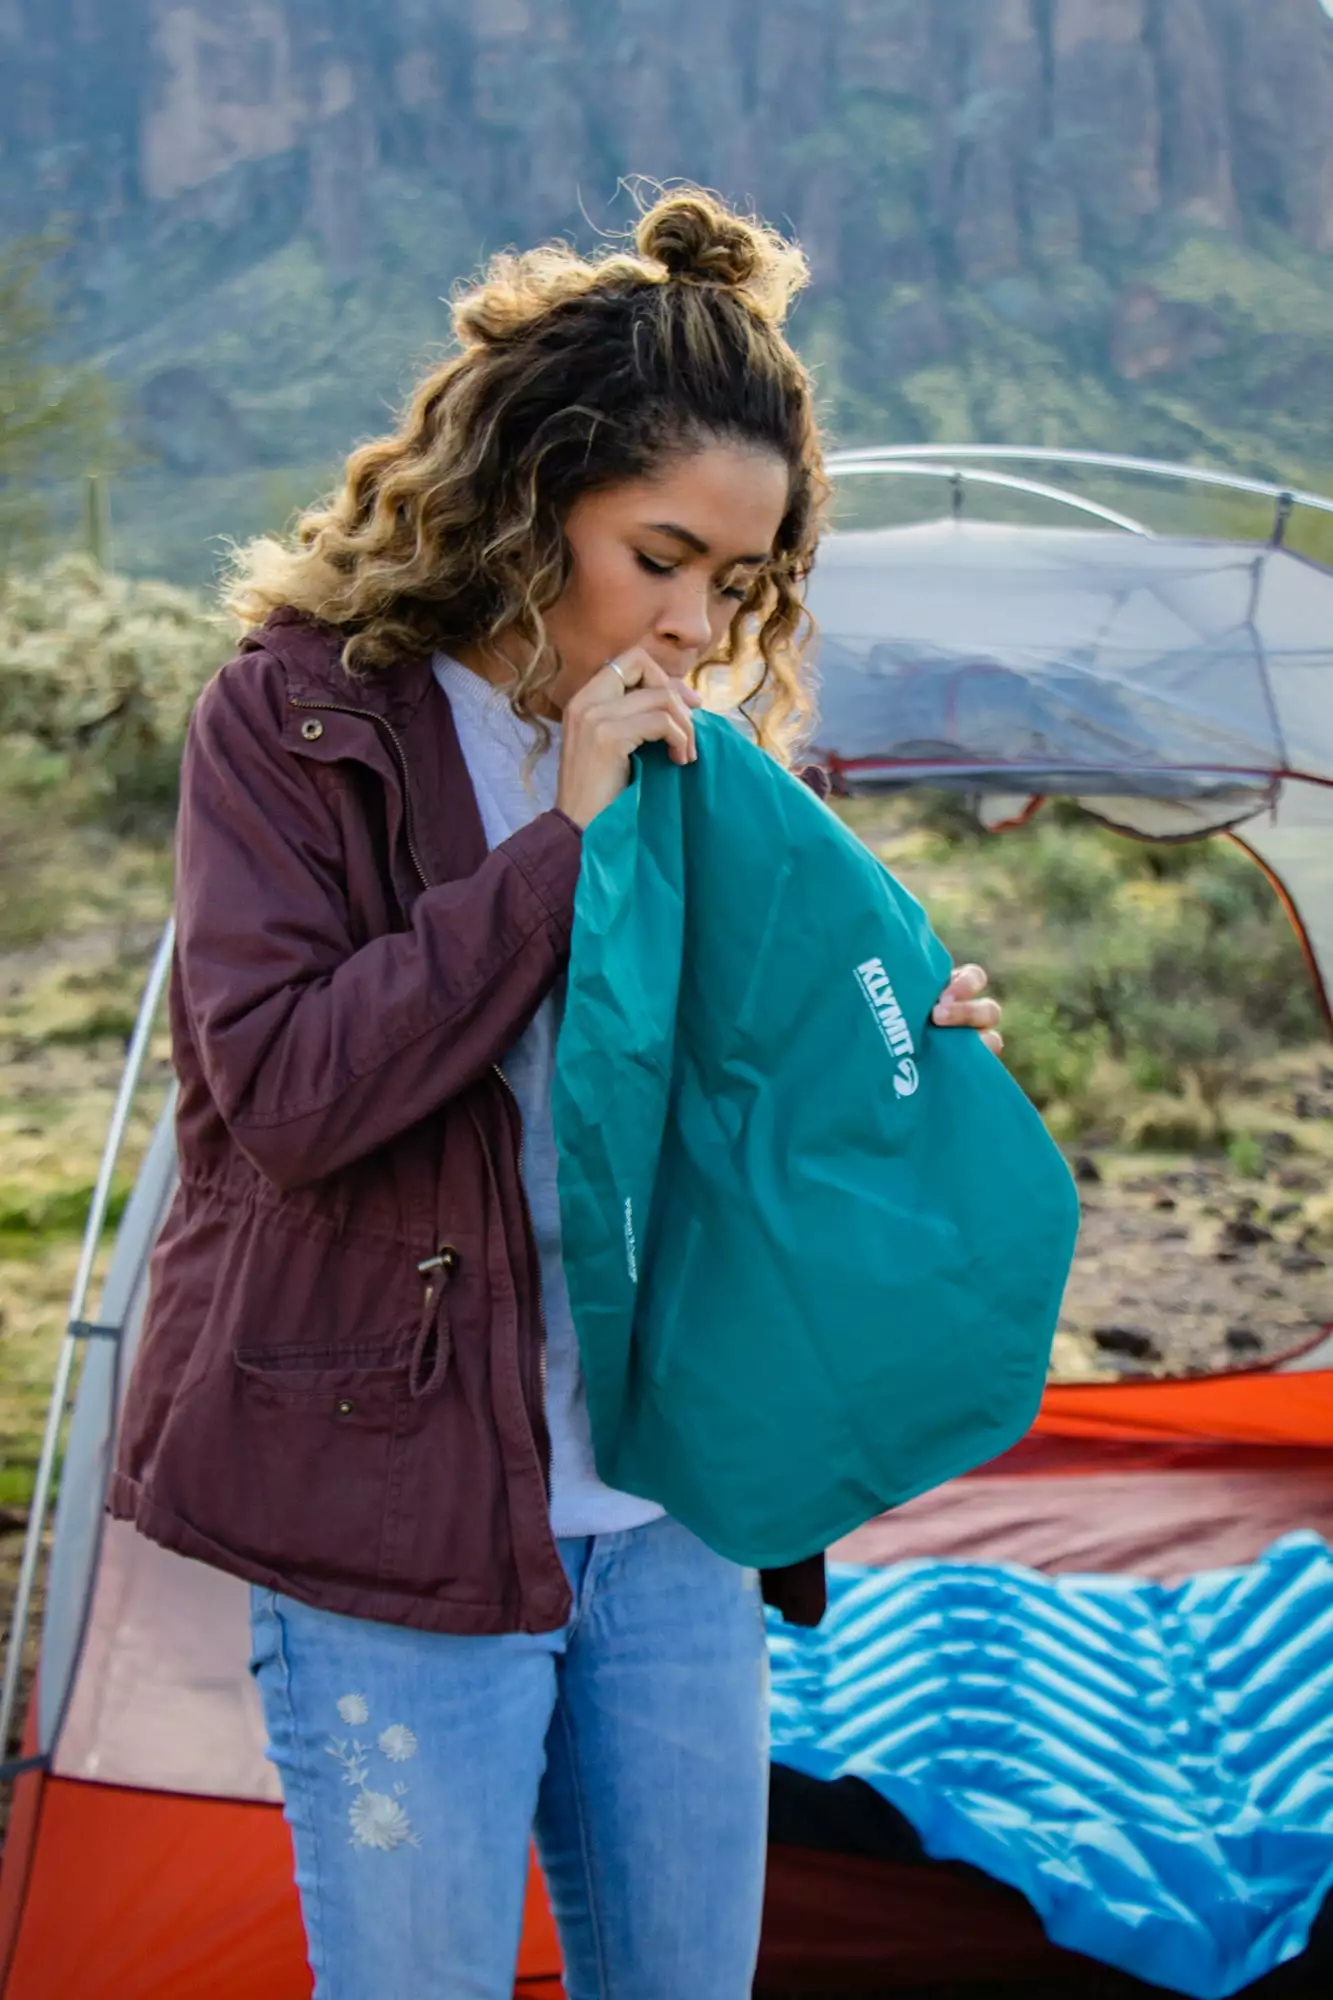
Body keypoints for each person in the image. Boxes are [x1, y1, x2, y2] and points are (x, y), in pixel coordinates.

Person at [111, 188, 1003, 2000]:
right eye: (659, 556)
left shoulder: (701, 757)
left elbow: (725, 1110)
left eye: (734, 582)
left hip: (669, 1507)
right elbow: (283, 1093)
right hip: (390, 1517)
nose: (692, 622)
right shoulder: (295, 724)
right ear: (531, 497)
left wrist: (893, 1052)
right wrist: (560, 846)